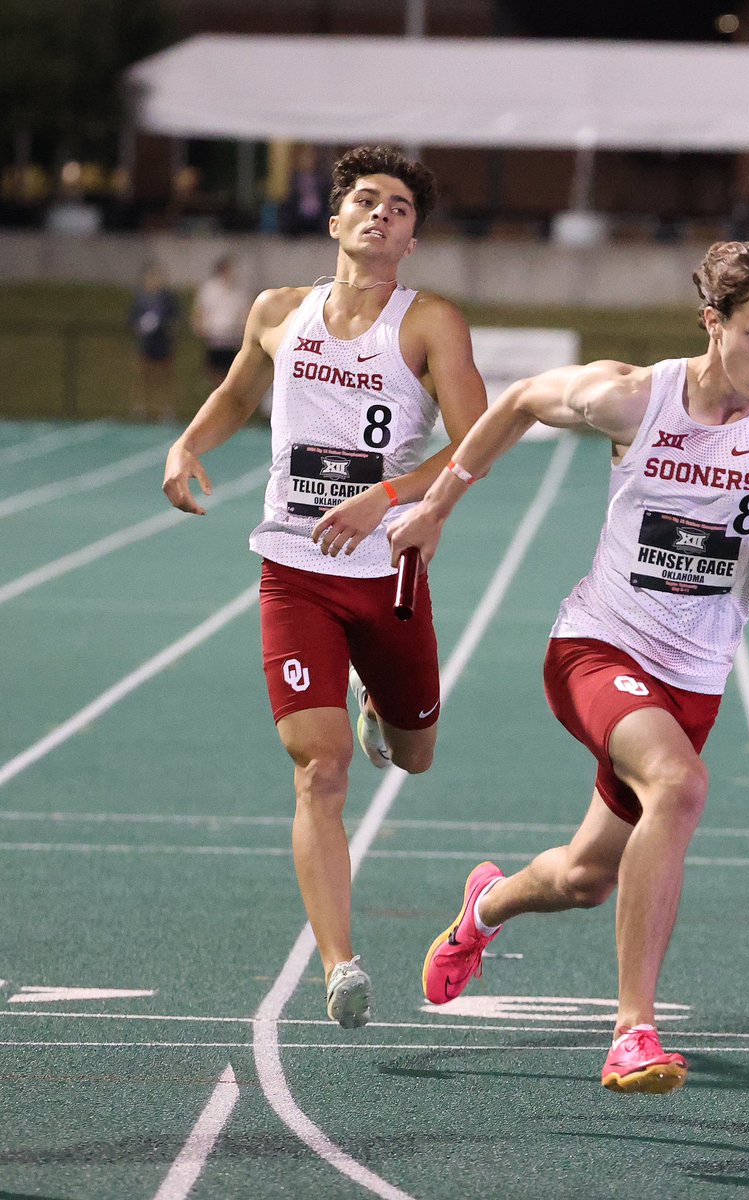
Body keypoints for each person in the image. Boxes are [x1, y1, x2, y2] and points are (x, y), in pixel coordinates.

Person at [386, 240, 749, 1093]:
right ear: (712, 323)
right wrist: (436, 506)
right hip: (598, 648)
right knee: (679, 786)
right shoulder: (636, 396)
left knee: (584, 878)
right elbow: (523, 400)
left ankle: (483, 907)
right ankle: (634, 1030)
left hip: (694, 685)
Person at [161, 145, 487, 1029]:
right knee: (320, 770)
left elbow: (475, 444)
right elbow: (236, 395)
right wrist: (189, 442)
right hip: (295, 574)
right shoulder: (277, 311)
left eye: (402, 209)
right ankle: (342, 964)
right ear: (336, 219)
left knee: (413, 758)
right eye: (368, 201)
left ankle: (383, 707)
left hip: (388, 575)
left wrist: (384, 497)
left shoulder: (430, 325)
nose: (383, 214)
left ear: (412, 239)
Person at [191, 255, 252, 389]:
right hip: (214, 338)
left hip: (233, 339)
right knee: (215, 372)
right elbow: (200, 311)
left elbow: (246, 312)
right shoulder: (209, 289)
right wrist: (199, 328)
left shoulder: (240, 291)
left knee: (231, 374)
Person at [130, 261, 179, 420]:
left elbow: (175, 318)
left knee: (164, 376)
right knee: (144, 375)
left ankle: (166, 408)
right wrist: (140, 326)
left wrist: (169, 327)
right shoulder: (141, 298)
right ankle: (141, 407)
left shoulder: (167, 298)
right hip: (146, 342)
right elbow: (132, 319)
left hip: (162, 341)